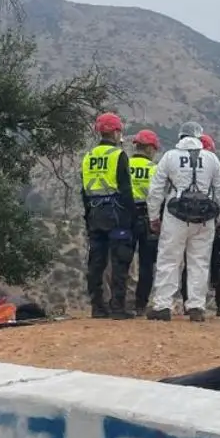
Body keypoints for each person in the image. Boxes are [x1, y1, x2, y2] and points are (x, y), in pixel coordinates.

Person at [145, 121, 220, 322]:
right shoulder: (211, 159)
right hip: (204, 218)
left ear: (180, 137)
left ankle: (163, 305)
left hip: (175, 216)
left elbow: (156, 189)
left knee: (169, 259)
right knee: (199, 261)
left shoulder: (169, 157)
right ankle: (196, 307)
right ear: (199, 137)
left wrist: (153, 216)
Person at [81, 112, 136, 319]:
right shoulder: (118, 156)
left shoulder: (88, 157)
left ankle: (97, 306)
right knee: (119, 261)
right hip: (117, 214)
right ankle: (117, 307)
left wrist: (87, 217)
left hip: (95, 214)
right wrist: (131, 219)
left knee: (96, 262)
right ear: (115, 132)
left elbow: (84, 190)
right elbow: (126, 189)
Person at [180, 133, 220, 316]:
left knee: (192, 263)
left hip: (189, 222)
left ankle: (190, 304)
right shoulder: (219, 170)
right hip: (213, 223)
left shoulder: (186, 171)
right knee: (216, 263)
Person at [128, 129, 161, 316]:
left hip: (127, 217)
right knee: (146, 264)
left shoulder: (124, 165)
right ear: (149, 148)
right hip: (148, 218)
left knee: (123, 260)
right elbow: (159, 196)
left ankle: (121, 301)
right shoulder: (154, 169)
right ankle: (140, 304)